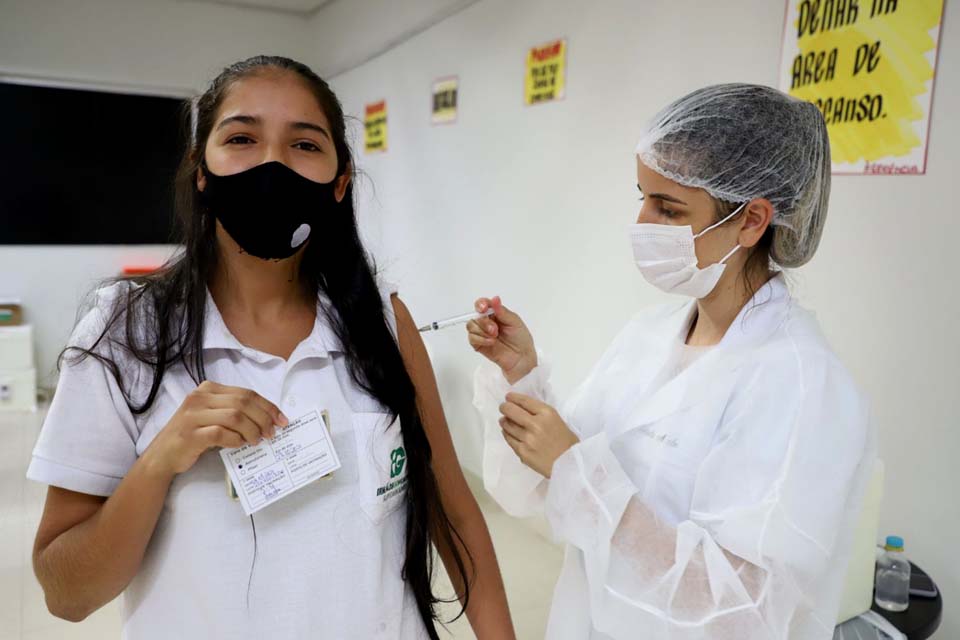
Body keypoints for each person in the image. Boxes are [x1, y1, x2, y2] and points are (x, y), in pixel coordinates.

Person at [28, 55, 515, 640]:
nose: (272, 165)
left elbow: (455, 514)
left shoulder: (382, 319)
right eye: (241, 138)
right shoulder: (127, 331)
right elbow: (67, 594)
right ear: (200, 171)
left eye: (304, 145)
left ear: (339, 183)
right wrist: (160, 459)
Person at [468, 83, 875, 639]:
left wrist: (581, 475)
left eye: (668, 206)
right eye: (642, 195)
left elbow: (743, 611)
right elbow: (546, 480)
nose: (642, 221)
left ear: (752, 221)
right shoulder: (649, 335)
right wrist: (522, 376)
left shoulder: (803, 386)